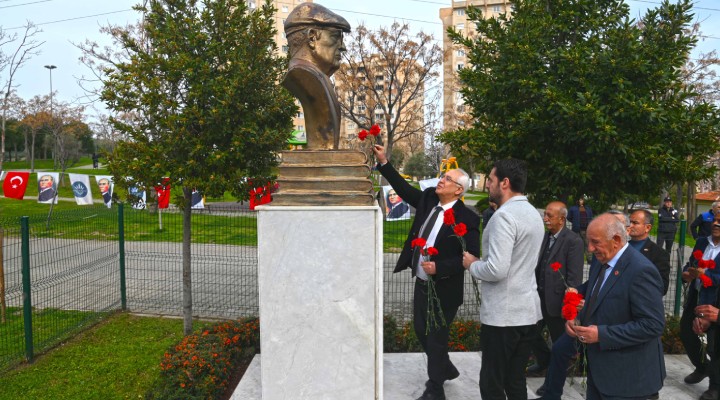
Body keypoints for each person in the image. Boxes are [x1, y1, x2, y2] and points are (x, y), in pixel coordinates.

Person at [372, 144, 480, 400]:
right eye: (443, 177)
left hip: (445, 288)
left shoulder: (468, 219)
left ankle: (435, 389)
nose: (442, 180)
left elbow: (471, 258)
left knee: (436, 337)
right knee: (421, 330)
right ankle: (446, 368)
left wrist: (440, 266)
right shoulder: (430, 198)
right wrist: (384, 162)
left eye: (448, 179)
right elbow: (405, 190)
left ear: (459, 189)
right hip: (422, 282)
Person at [534, 213, 666, 400]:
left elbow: (652, 325)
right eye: (589, 241)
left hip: (629, 383)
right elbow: (595, 291)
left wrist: (601, 335)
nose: (590, 248)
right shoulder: (603, 260)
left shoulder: (641, 271)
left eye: (595, 242)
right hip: (601, 374)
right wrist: (574, 314)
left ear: (617, 240)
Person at [462, 158, 545, 400]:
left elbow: (497, 270)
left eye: (490, 179)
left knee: (492, 383)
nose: (487, 184)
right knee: (515, 380)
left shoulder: (504, 217)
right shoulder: (533, 213)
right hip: (528, 313)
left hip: (503, 318)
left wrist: (472, 264)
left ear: (505, 183)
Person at [526, 201, 584, 377]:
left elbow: (574, 277)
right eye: (545, 215)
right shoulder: (544, 237)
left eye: (549, 215)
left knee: (560, 341)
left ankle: (557, 373)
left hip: (558, 301)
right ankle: (544, 361)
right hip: (538, 297)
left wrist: (569, 304)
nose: (545, 219)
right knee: (529, 332)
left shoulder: (573, 241)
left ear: (562, 219)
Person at [282, 3, 350, 150]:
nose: (342, 46)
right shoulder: (304, 76)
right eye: (335, 37)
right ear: (312, 38)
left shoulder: (320, 79)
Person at [680, 211, 720, 398]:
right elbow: (690, 264)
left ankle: (715, 386)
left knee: (714, 344)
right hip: (697, 296)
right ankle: (701, 366)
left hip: (715, 300)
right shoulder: (702, 241)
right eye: (715, 219)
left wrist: (706, 275)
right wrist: (686, 274)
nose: (716, 223)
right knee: (686, 331)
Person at [628, 209, 671, 295]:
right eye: (629, 222)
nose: (630, 225)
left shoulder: (659, 254)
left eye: (635, 223)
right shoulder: (620, 248)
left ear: (647, 228)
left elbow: (662, 287)